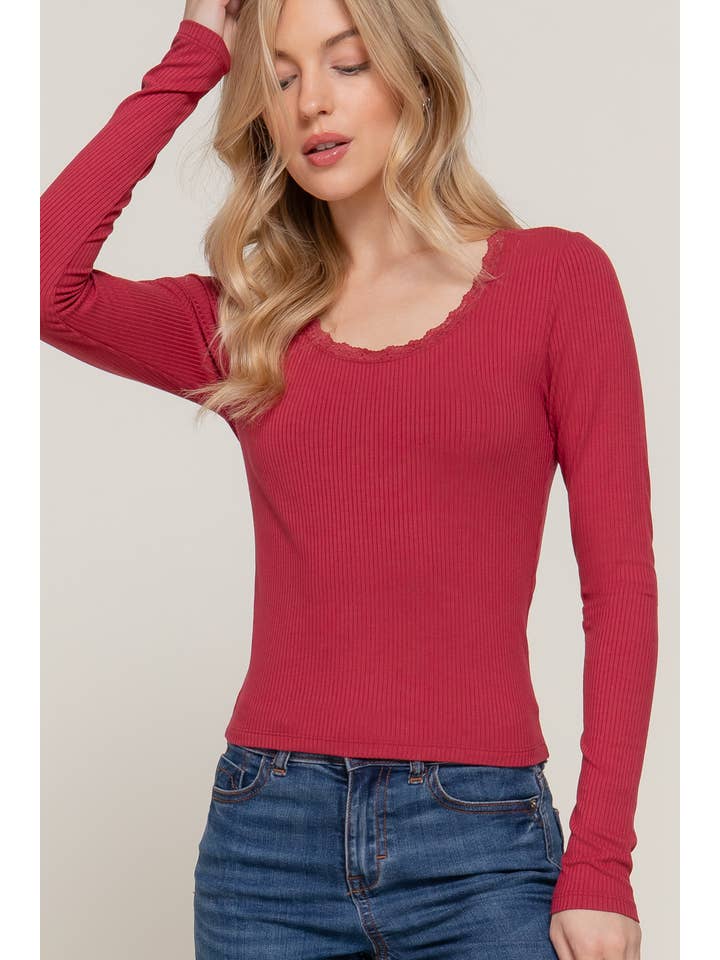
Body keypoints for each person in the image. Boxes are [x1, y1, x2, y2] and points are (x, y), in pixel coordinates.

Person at [40, 1, 657, 957]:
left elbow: (620, 588)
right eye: (281, 77)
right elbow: (38, 283)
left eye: (348, 63)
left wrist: (602, 862)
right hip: (265, 841)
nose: (311, 104)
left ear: (415, 75)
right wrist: (196, 54)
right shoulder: (249, 321)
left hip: (481, 840)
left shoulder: (555, 282)